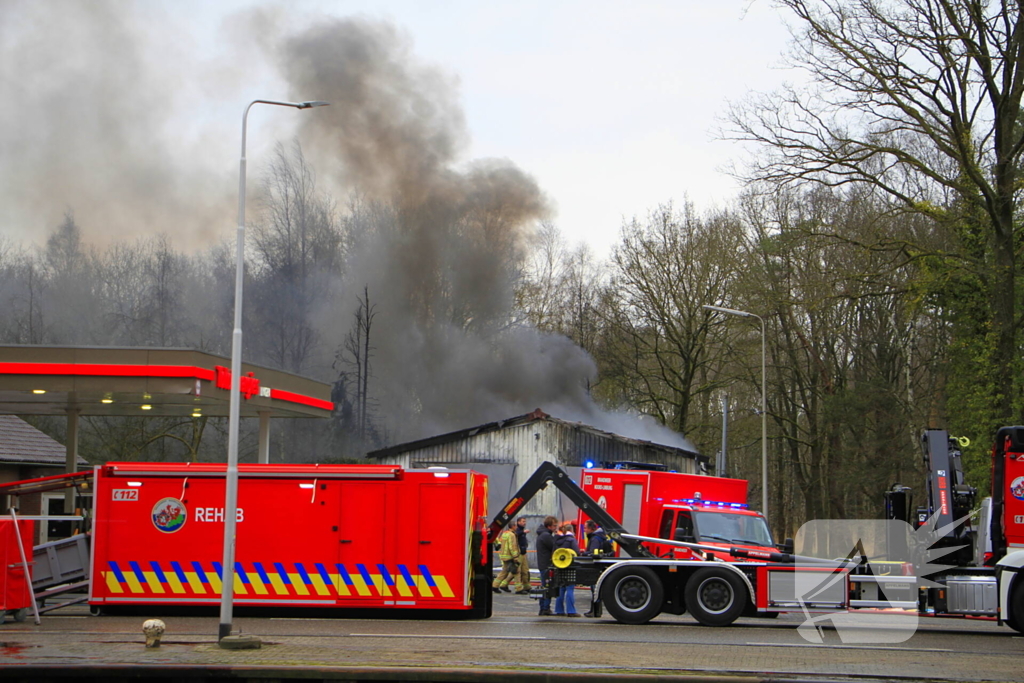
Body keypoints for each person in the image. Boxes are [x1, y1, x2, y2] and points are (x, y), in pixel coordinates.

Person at [583, 519, 610, 617]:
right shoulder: (601, 537)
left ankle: (594, 611)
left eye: (585, 528)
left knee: (594, 589)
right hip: (601, 566)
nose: (584, 530)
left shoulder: (595, 539)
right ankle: (597, 611)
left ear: (591, 529)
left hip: (595, 567)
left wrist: (583, 553)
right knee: (596, 589)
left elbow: (593, 552)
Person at [554, 522, 581, 617]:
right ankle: (571, 611)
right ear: (572, 531)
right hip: (570, 567)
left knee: (561, 588)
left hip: (560, 566)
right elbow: (576, 552)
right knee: (570, 588)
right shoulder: (571, 540)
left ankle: (559, 610)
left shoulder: (559, 540)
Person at [534, 515, 557, 616]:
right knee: (547, 587)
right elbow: (554, 547)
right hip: (546, 565)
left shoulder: (542, 534)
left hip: (543, 564)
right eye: (554, 526)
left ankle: (543, 608)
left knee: (544, 586)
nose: (555, 528)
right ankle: (545, 608)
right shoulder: (546, 536)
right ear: (549, 526)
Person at [492, 525, 521, 593]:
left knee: (504, 572)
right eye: (516, 526)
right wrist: (515, 556)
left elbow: (500, 543)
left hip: (504, 556)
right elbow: (512, 546)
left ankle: (495, 585)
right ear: (513, 526)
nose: (516, 528)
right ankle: (519, 588)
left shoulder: (504, 533)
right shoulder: (512, 535)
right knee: (516, 571)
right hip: (510, 556)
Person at [513, 516, 531, 593]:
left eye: (525, 521)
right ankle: (518, 588)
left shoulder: (522, 530)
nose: (524, 523)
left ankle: (527, 586)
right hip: (518, 553)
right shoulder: (517, 530)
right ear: (518, 522)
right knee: (517, 571)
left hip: (523, 553)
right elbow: (516, 535)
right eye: (523, 521)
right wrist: (523, 532)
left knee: (525, 571)